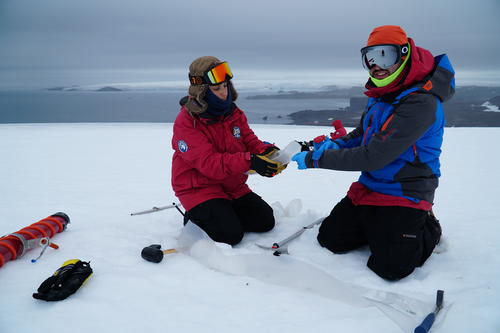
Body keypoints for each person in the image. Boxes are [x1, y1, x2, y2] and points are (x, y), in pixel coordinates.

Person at [292, 25, 455, 280]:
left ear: (404, 54)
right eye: (369, 58)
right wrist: (338, 145)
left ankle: (428, 226)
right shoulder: (382, 94)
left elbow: (375, 155)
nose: (375, 65)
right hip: (372, 185)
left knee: (391, 268)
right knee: (330, 240)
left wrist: (317, 158)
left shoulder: (421, 102)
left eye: (383, 55)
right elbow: (362, 134)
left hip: (406, 191)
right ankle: (380, 227)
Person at [171, 56, 286, 246]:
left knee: (265, 221)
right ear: (202, 91)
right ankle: (195, 216)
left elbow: (249, 140)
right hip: (199, 188)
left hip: (231, 184)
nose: (224, 93)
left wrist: (269, 153)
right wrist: (251, 161)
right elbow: (209, 163)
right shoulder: (187, 122)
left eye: (225, 86)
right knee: (230, 235)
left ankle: (222, 210)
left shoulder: (233, 113)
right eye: (216, 89)